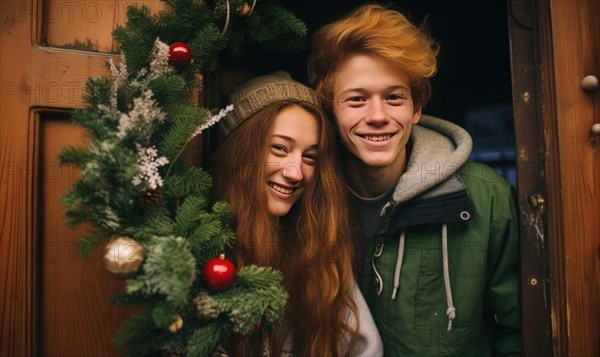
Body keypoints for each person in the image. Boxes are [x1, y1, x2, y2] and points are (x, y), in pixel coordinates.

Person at [307, 4, 522, 356]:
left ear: (417, 108)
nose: (378, 116)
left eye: (394, 97)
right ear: (331, 107)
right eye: (357, 99)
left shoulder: (484, 196)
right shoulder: (306, 193)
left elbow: (521, 331)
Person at [210, 71, 383, 356]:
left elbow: (367, 350)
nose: (295, 172)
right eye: (279, 148)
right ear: (240, 152)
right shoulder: (200, 244)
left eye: (310, 157)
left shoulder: (320, 252)